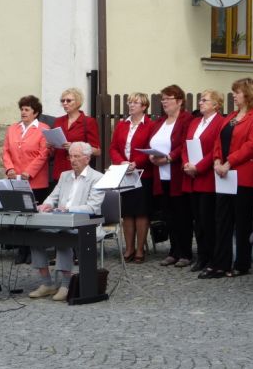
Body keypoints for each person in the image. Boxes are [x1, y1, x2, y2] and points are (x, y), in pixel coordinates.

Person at [206, 78, 253, 278]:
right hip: (224, 174)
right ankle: (221, 262)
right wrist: (216, 160)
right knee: (222, 219)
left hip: (243, 176)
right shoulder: (231, 116)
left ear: (248, 94)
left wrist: (228, 162)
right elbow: (218, 139)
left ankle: (242, 263)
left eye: (237, 92)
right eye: (234, 92)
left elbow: (251, 146)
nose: (234, 95)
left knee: (241, 221)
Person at [28, 142, 104, 302]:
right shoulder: (64, 176)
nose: (73, 160)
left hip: (85, 224)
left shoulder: (97, 178)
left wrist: (68, 208)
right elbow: (53, 196)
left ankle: (65, 284)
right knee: (35, 236)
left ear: (87, 159)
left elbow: (93, 207)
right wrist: (47, 204)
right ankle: (47, 283)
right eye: (71, 156)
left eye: (77, 156)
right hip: (60, 220)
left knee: (63, 238)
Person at [148, 84, 194, 267]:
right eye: (163, 99)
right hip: (161, 175)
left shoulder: (186, 119)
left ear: (180, 101)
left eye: (168, 98)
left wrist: (169, 157)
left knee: (182, 215)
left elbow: (184, 144)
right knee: (168, 216)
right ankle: (173, 251)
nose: (164, 102)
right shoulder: (160, 122)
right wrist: (152, 155)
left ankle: (186, 252)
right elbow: (152, 142)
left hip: (178, 175)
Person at [2, 95, 50, 264]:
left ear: (35, 112)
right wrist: (9, 168)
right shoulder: (13, 129)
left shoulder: (43, 129)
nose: (23, 112)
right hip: (16, 180)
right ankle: (21, 250)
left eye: (27, 109)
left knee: (34, 217)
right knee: (19, 216)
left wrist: (29, 171)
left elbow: (44, 153)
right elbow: (6, 151)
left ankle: (34, 251)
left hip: (35, 181)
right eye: (22, 109)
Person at [182, 90, 224, 275]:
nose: (201, 102)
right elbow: (186, 145)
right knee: (197, 220)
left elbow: (215, 149)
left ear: (216, 104)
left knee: (208, 220)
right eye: (201, 100)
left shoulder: (219, 123)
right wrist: (186, 164)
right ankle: (201, 256)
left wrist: (198, 167)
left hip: (207, 177)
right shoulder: (195, 122)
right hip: (192, 177)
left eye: (205, 100)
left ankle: (212, 258)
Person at [109, 92, 154, 263]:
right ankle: (129, 248)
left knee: (141, 212)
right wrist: (122, 162)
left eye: (136, 103)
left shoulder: (150, 125)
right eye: (130, 102)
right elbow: (113, 147)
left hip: (142, 173)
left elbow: (150, 147)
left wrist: (136, 163)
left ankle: (140, 249)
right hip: (124, 173)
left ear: (144, 106)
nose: (131, 105)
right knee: (127, 212)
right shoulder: (122, 124)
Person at [51, 88, 101, 182]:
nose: (65, 103)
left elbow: (97, 151)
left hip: (79, 170)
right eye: (63, 101)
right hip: (60, 170)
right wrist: (50, 145)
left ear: (78, 102)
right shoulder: (58, 121)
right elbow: (53, 151)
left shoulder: (88, 122)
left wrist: (74, 146)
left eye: (68, 100)